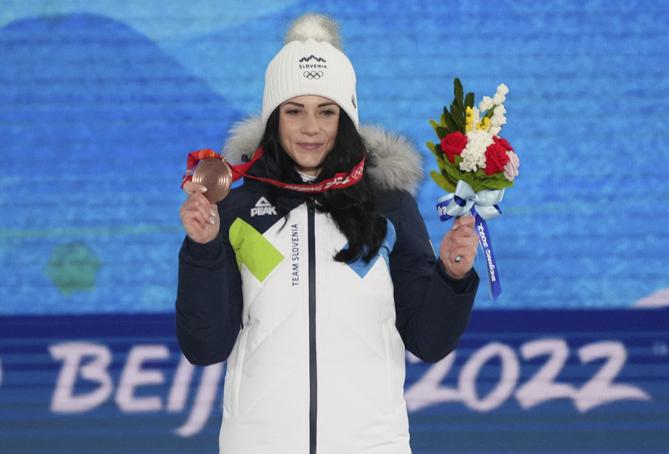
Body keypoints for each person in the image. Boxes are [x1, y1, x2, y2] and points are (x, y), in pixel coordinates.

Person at [176, 13, 479, 454]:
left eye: (326, 111)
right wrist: (202, 250)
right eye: (294, 111)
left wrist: (452, 277)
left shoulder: (388, 206)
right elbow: (204, 346)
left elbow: (428, 342)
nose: (311, 128)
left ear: (348, 117)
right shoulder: (238, 211)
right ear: (274, 119)